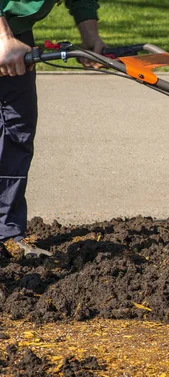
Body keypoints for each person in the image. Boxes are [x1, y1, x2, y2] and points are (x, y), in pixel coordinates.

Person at [0, 0, 105, 256]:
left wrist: (90, 35)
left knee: (17, 129)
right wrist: (2, 37)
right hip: (5, 34)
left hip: (13, 32)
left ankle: (7, 235)